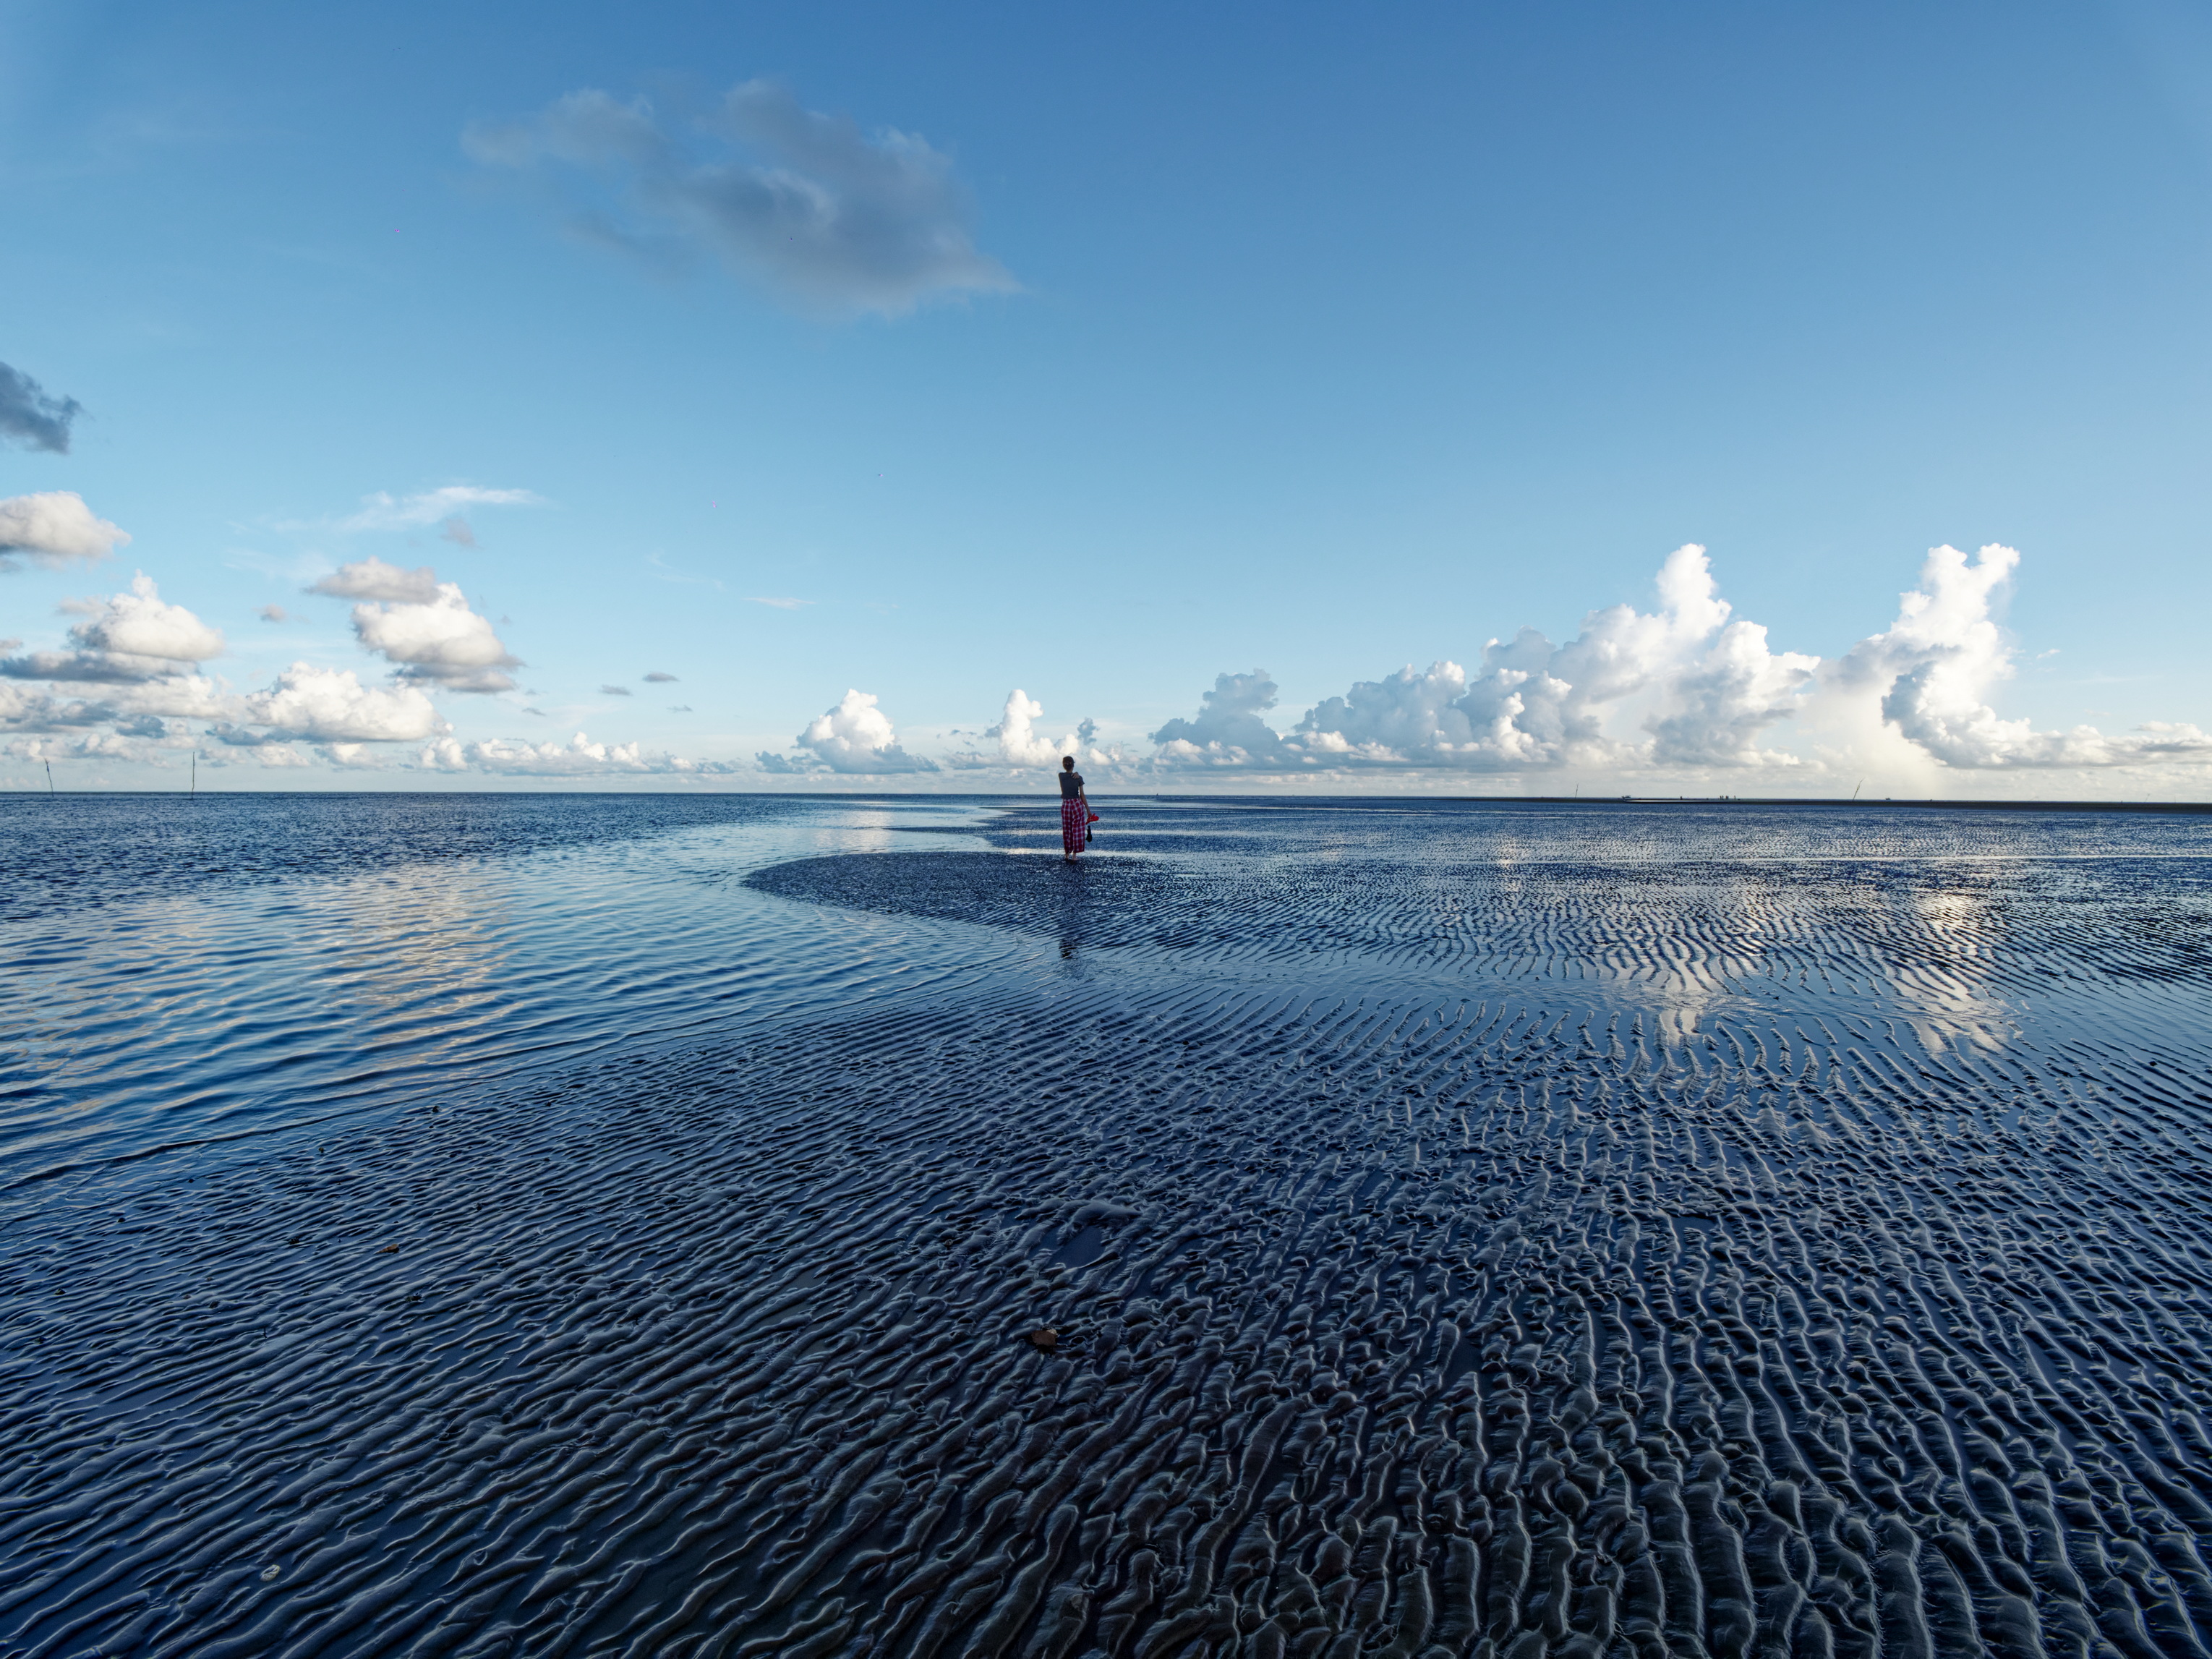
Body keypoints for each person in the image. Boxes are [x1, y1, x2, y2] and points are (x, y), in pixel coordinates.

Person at [1057, 754, 1088, 862]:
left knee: (1067, 829)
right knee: (1077, 829)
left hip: (1066, 804)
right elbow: (1082, 795)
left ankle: (1067, 854)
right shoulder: (1079, 778)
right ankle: (1074, 855)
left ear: (1064, 765)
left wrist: (1076, 773)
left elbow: (1067, 774)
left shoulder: (1061, 776)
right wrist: (1088, 810)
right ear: (1073, 765)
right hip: (1076, 804)